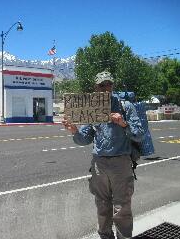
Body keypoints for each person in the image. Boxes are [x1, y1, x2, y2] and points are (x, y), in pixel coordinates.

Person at [62, 71, 145, 239]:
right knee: (102, 205)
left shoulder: (125, 106)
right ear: (96, 87)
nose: (106, 88)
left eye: (108, 84)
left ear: (112, 86)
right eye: (102, 85)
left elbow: (139, 134)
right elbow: (84, 139)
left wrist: (123, 123)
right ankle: (105, 236)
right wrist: (74, 130)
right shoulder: (93, 109)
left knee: (122, 207)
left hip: (120, 163)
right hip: (99, 164)